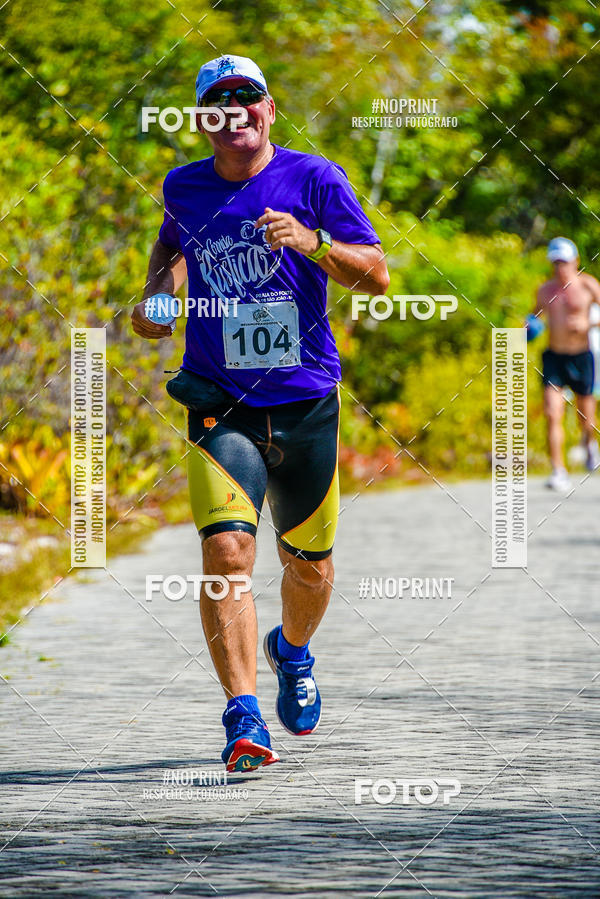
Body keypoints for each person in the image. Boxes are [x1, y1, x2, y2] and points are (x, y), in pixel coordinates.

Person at [131, 55, 389, 771]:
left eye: (249, 96)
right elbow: (172, 245)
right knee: (226, 554)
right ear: (203, 119)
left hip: (305, 400)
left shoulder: (314, 179)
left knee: (308, 566)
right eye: (220, 100)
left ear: (269, 110)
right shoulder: (183, 187)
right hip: (221, 403)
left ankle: (293, 651)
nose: (236, 108)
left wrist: (314, 243)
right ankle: (243, 715)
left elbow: (377, 272)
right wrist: (158, 297)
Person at [531, 237, 600, 491]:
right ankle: (558, 470)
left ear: (576, 261)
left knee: (586, 415)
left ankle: (589, 443)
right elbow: (534, 317)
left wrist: (589, 324)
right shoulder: (545, 290)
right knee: (552, 413)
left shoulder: (588, 286)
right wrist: (528, 327)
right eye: (555, 262)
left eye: (564, 262)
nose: (560, 267)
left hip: (582, 356)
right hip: (554, 358)